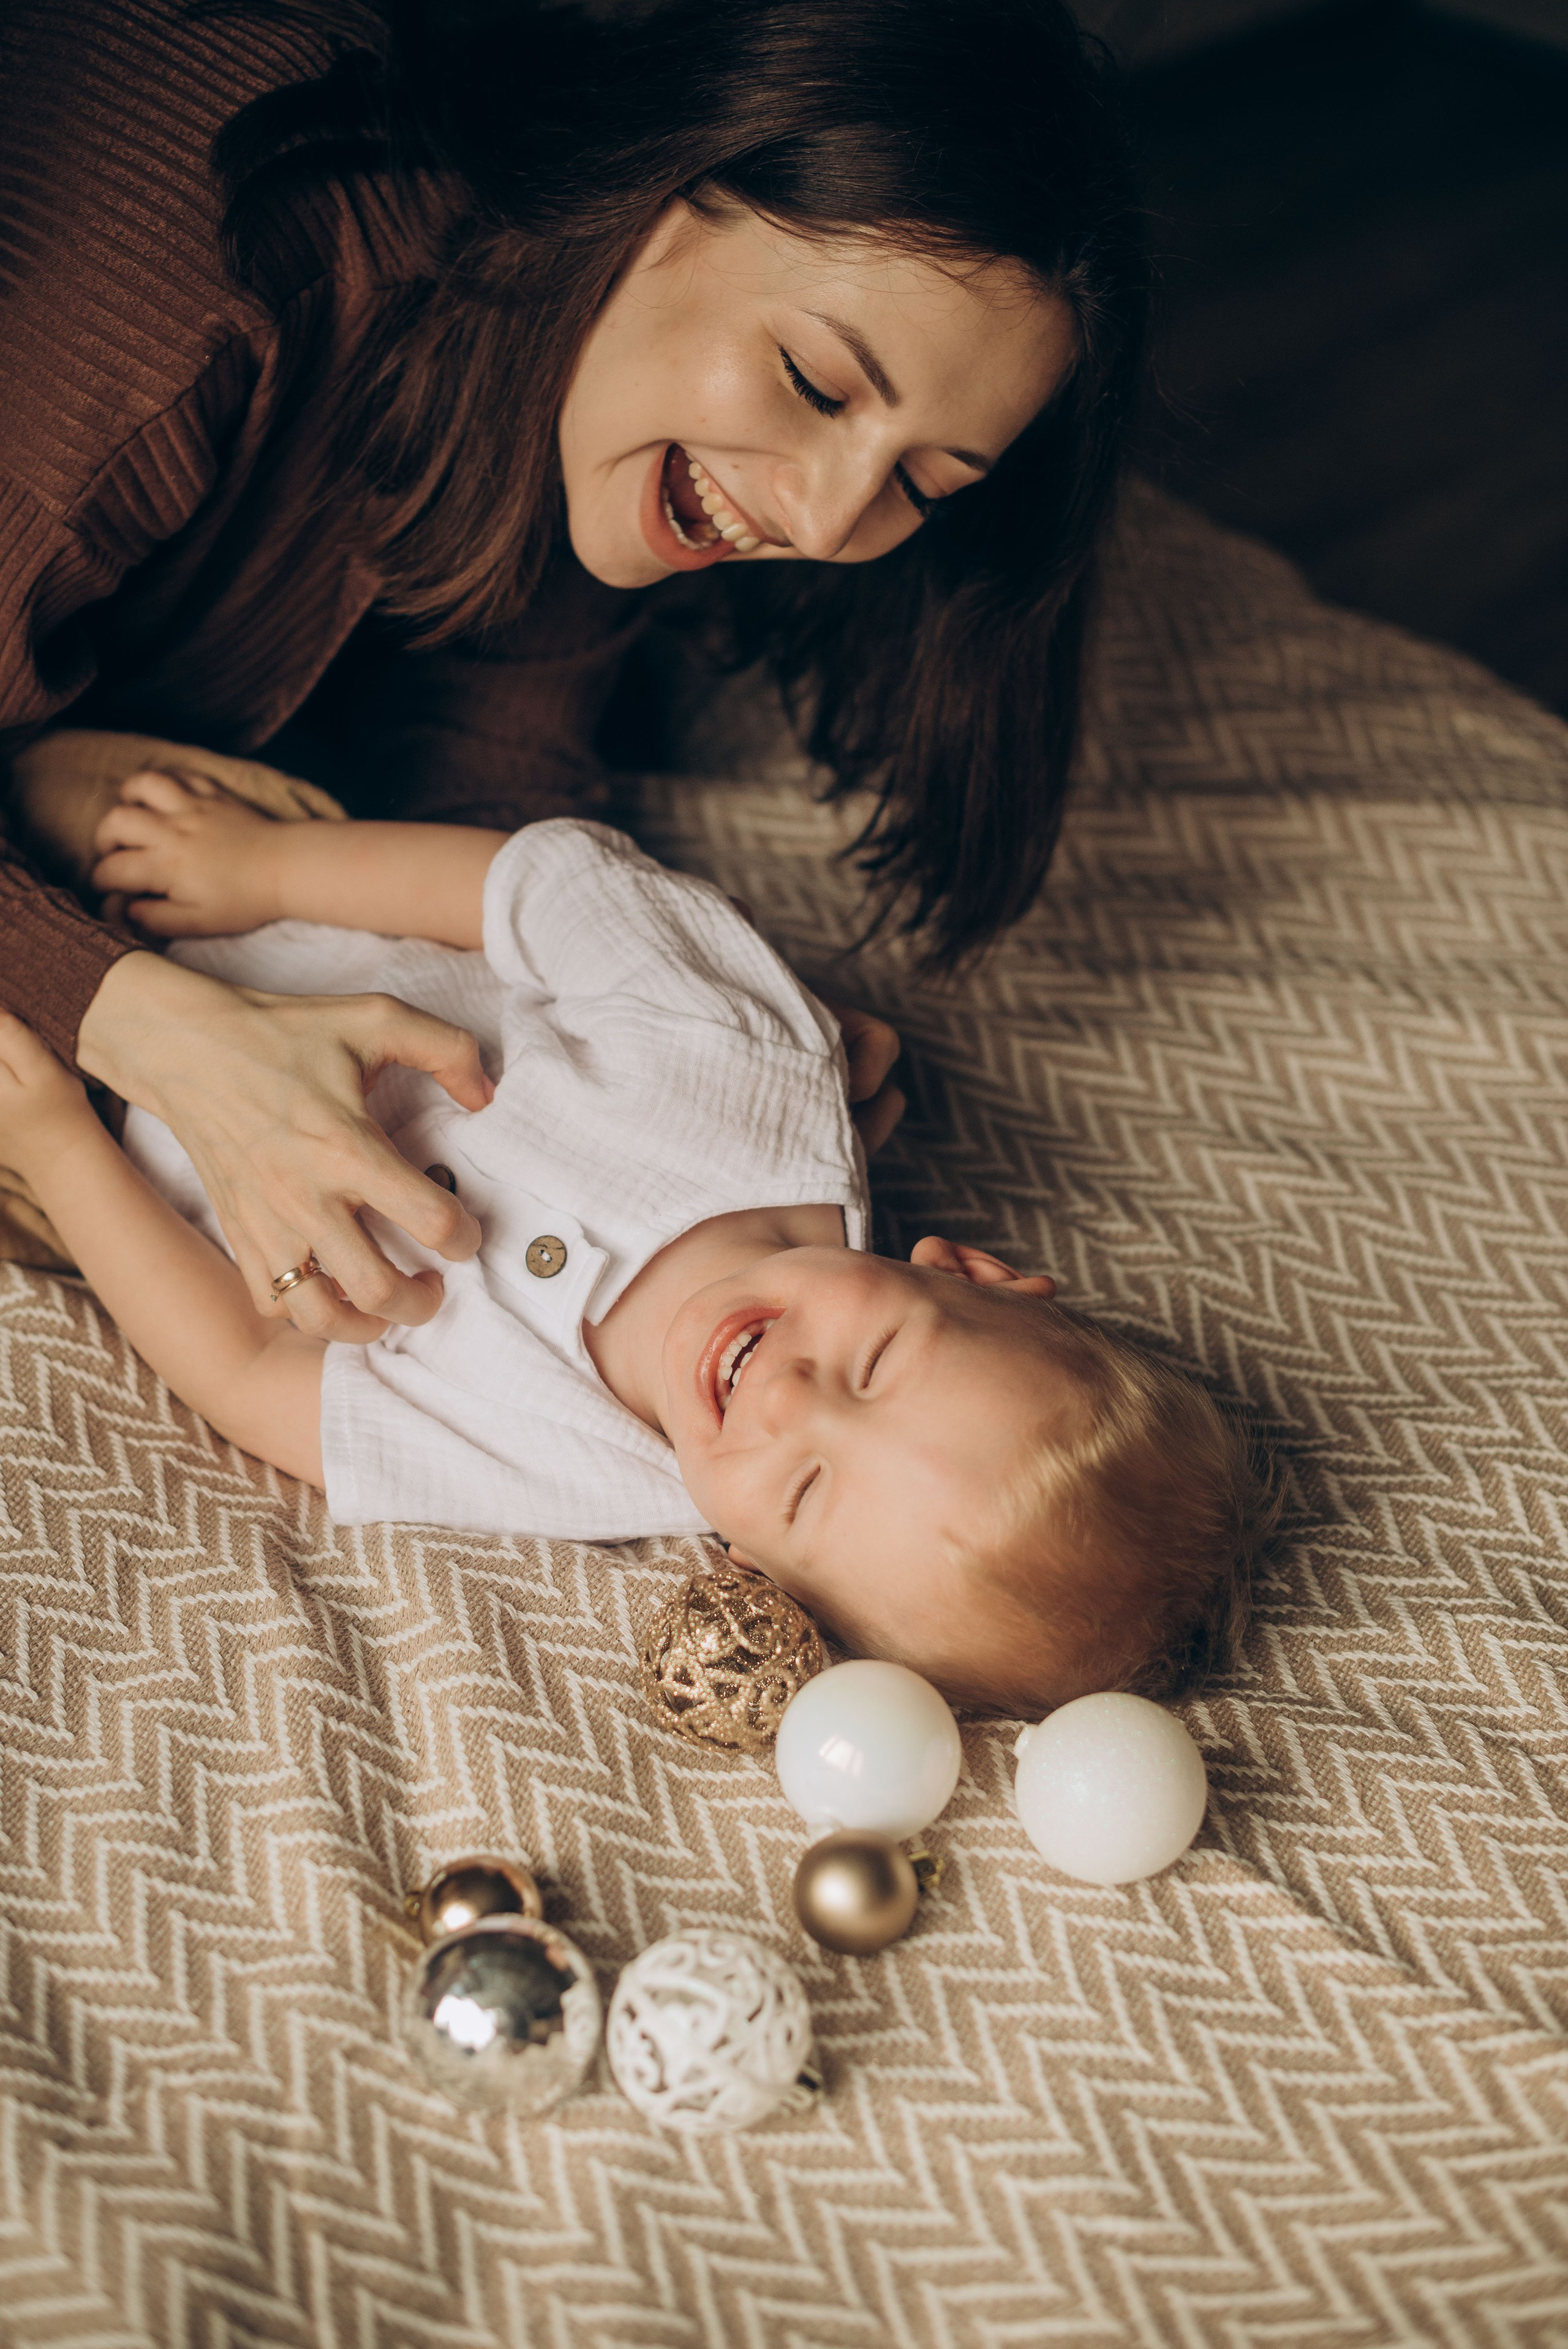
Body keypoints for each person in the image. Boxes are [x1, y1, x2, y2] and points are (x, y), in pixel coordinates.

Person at [0, 0, 1146, 1350]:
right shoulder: (216, 268)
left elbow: (492, 792)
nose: (827, 526)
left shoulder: (591, 424)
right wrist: (156, 1026)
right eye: (816, 384)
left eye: (920, 484)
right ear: (658, 193)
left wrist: (692, 1023)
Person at [0, 772, 1261, 1711]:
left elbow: (251, 1375)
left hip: (102, 1139)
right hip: (231, 904)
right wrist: (271, 868)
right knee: (77, 781)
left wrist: (63, 1149)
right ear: (960, 1271)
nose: (788, 1398)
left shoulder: (566, 1468)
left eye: (806, 1489)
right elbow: (544, 887)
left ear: (757, 1573)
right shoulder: (744, 1066)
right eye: (873, 1364)